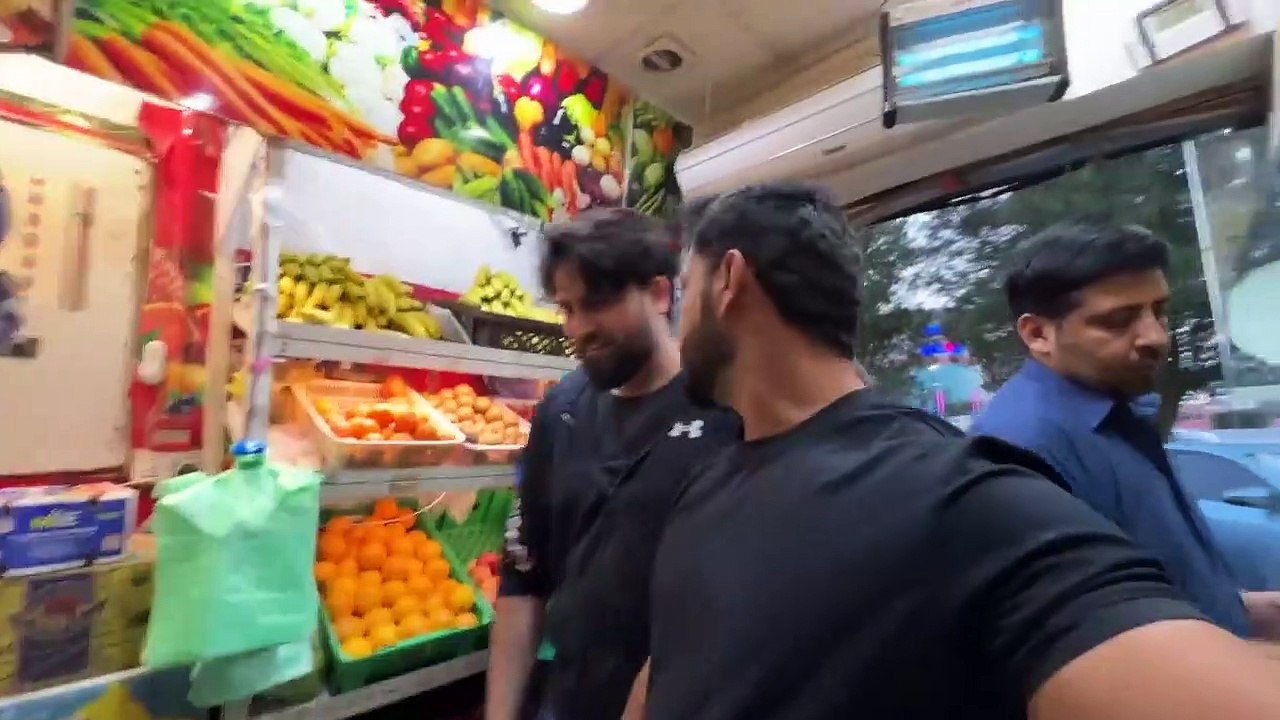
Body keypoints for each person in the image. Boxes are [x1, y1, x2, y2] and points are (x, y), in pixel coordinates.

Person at [632, 183, 1280, 720]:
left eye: (683, 292)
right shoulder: (705, 486)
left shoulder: (957, 497)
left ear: (729, 283)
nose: (675, 325)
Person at [485, 208, 738, 720]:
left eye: (597, 302)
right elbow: (523, 580)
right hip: (568, 696)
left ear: (660, 294)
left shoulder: (724, 415)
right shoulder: (561, 411)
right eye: (566, 308)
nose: (577, 328)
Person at [971, 223, 1280, 639]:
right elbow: (1089, 644)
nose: (1155, 336)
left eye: (1159, 310)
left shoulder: (1114, 417)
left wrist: (1241, 609)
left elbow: (1156, 592)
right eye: (1119, 321)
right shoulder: (1023, 449)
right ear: (1038, 333)